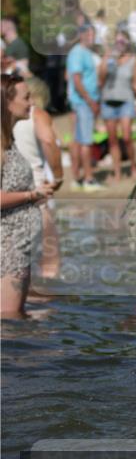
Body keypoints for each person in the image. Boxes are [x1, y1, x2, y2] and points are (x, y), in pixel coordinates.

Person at [1, 74, 54, 318]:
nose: (31, 102)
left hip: (19, 246)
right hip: (6, 248)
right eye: (26, 97)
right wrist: (33, 194)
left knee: (17, 318)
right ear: (6, 102)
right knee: (9, 321)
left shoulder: (9, 142)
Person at [12, 78, 62, 281]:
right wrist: (59, 177)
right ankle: (43, 306)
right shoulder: (37, 114)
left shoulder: (5, 116)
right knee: (49, 255)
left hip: (8, 190)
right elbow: (49, 141)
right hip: (35, 187)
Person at [98, 31, 136, 181]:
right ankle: (117, 171)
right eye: (117, 42)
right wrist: (106, 58)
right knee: (112, 139)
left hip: (126, 100)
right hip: (108, 101)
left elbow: (135, 83)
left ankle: (133, 167)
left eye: (122, 42)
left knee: (127, 137)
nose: (119, 45)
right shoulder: (108, 60)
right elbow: (100, 80)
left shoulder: (133, 60)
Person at [66, 24, 100, 189]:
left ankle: (77, 178)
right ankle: (88, 179)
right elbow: (77, 80)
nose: (91, 37)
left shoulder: (86, 52)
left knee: (79, 140)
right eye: (88, 34)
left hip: (84, 102)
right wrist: (90, 101)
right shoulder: (78, 52)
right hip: (83, 103)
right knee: (86, 141)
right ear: (81, 35)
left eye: (93, 34)